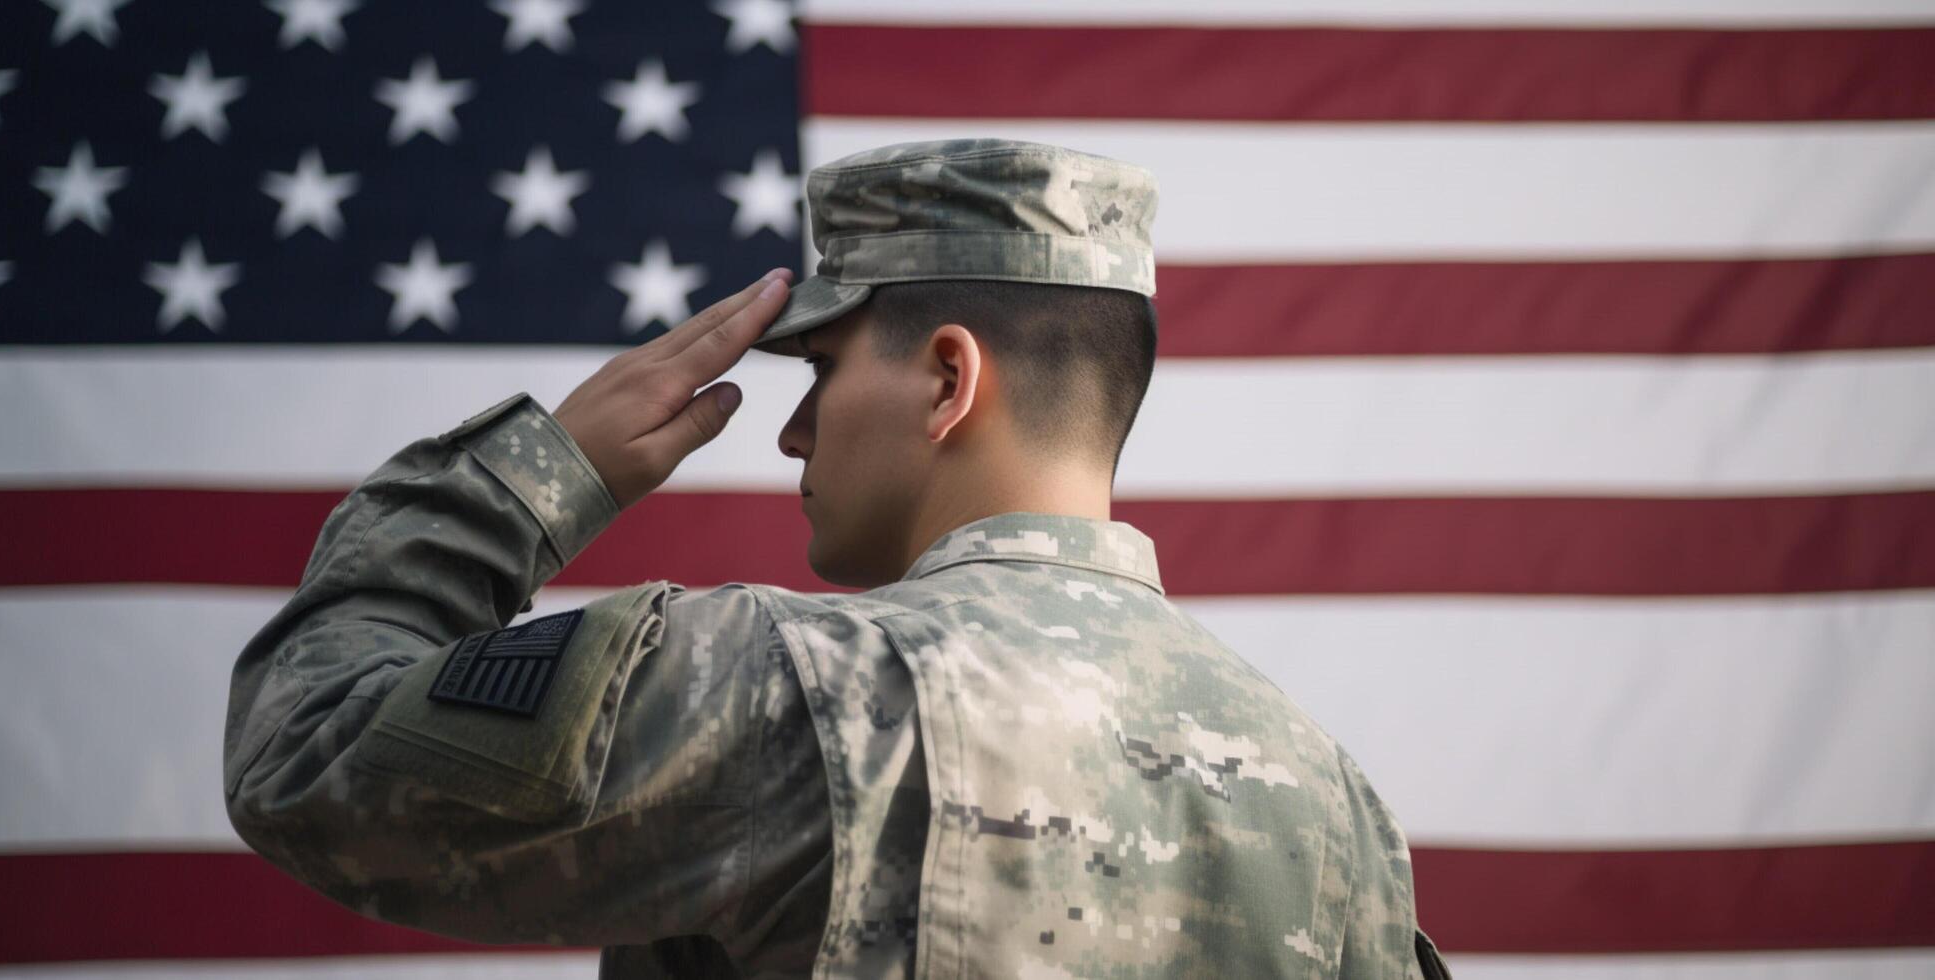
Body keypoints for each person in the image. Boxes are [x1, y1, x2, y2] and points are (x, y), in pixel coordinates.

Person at [223, 138, 1450, 978]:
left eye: (818, 370)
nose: (793, 427)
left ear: (948, 378)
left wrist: (539, 475)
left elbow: (304, 749)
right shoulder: (1336, 805)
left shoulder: (807, 685)